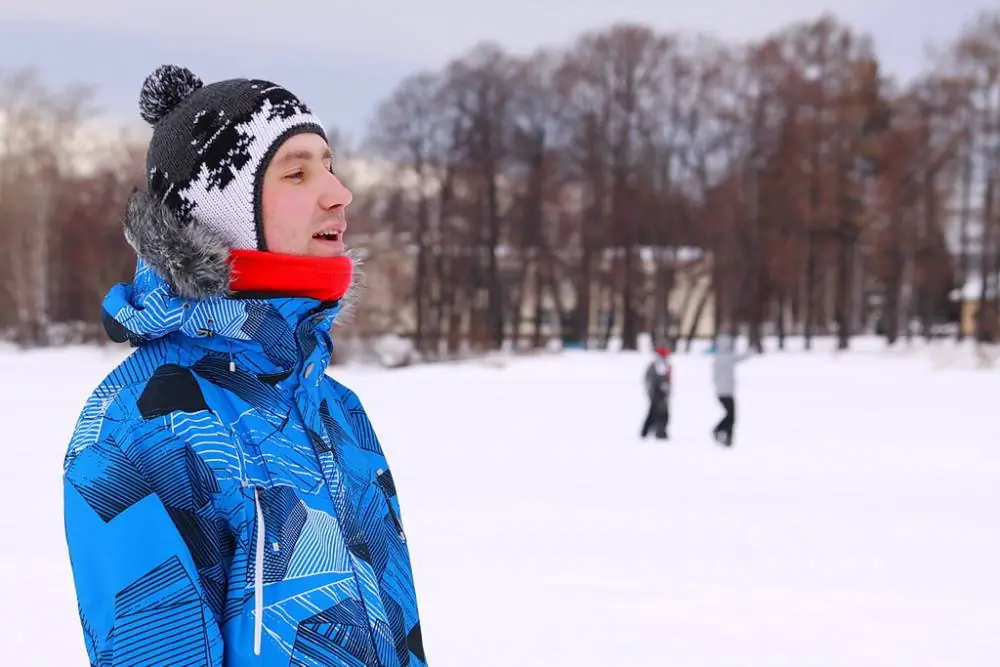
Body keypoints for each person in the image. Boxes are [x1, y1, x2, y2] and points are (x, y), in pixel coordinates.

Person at [62, 65, 427, 667]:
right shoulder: (137, 424)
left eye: (329, 165)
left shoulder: (336, 408)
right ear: (221, 213)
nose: (339, 192)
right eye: (297, 172)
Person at [711, 333, 751, 446]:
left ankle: (727, 437)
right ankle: (719, 431)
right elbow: (741, 357)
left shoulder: (718, 358)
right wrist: (751, 350)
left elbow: (714, 377)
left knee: (731, 415)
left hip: (722, 391)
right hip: (726, 392)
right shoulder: (727, 357)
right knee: (731, 415)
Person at [640, 345, 672, 439]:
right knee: (656, 413)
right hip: (656, 393)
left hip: (663, 394)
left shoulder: (666, 365)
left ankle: (660, 432)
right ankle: (652, 432)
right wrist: (653, 391)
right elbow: (649, 380)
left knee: (662, 413)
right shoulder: (656, 366)